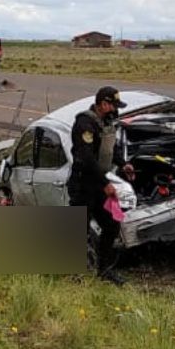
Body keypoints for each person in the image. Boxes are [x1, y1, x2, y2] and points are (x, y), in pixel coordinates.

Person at [69, 86, 130, 285]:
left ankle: (105, 270)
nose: (115, 111)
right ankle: (73, 274)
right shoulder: (85, 124)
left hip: (98, 183)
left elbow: (111, 148)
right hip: (83, 184)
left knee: (112, 224)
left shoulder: (106, 122)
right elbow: (86, 158)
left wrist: (123, 164)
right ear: (103, 104)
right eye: (113, 106)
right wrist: (105, 183)